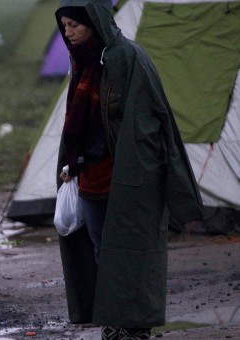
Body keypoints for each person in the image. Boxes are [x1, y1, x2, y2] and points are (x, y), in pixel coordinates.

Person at [53, 1, 204, 339]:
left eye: (74, 25)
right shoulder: (81, 62)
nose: (69, 32)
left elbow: (147, 120)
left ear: (93, 22)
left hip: (126, 177)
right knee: (101, 249)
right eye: (64, 26)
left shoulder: (126, 58)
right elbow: (78, 122)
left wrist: (140, 169)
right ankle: (113, 321)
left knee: (130, 250)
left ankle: (135, 324)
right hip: (90, 176)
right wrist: (71, 162)